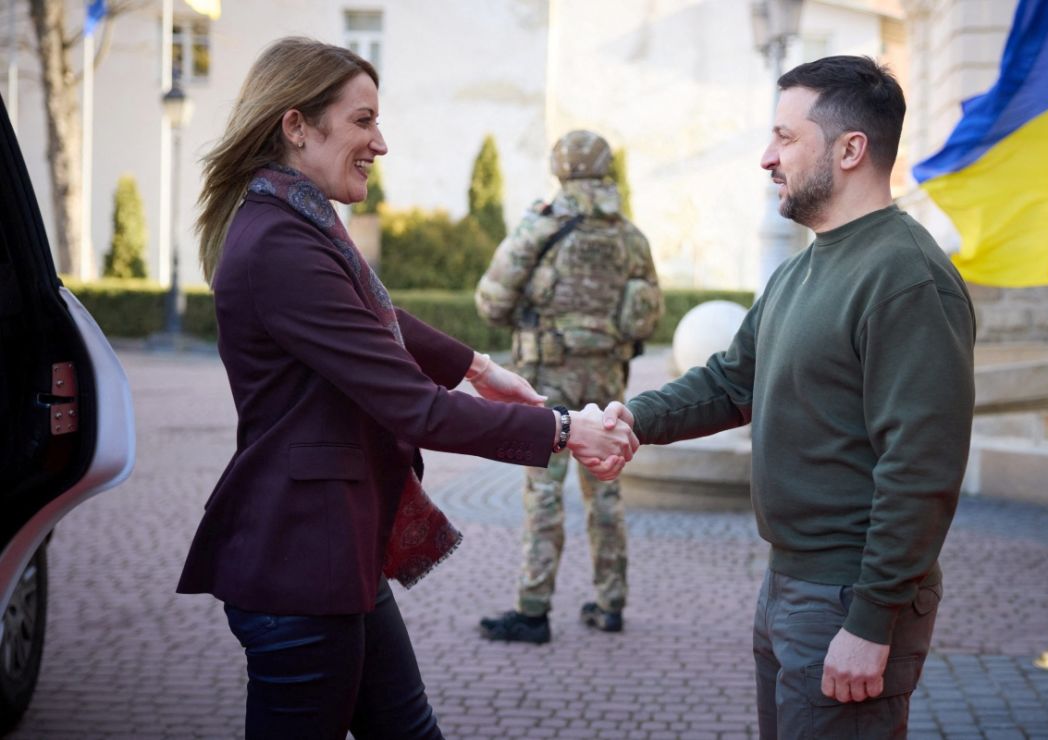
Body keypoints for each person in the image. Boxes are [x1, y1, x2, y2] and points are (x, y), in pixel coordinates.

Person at [176, 38, 637, 740]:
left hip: (334, 554)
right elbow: (413, 409)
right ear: (296, 125)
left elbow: (375, 313)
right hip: (300, 566)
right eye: (362, 121)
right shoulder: (279, 241)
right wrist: (566, 431)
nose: (379, 142)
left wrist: (479, 369)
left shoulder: (298, 218)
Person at [594, 56, 976, 738]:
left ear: (851, 149)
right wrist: (633, 419)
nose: (767, 159)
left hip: (850, 596)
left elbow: (920, 469)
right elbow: (731, 380)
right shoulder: (802, 268)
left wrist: (871, 620)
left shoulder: (906, 278)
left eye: (785, 138)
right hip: (790, 586)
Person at [474, 130, 663, 644]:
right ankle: (611, 603)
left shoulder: (542, 226)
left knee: (543, 490)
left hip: (548, 376)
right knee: (606, 485)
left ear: (559, 168)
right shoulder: (629, 235)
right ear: (605, 169)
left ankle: (533, 611)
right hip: (606, 375)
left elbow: (491, 302)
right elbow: (649, 313)